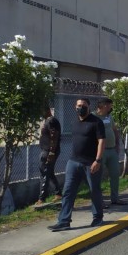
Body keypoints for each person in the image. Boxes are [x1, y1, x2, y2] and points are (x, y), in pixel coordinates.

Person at [48, 98, 106, 232]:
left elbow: (102, 141)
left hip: (91, 163)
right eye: (79, 106)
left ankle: (98, 217)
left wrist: (97, 160)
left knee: (94, 191)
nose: (81, 108)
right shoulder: (74, 122)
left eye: (83, 106)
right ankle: (64, 221)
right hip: (73, 162)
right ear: (75, 107)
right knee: (68, 192)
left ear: (89, 107)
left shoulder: (96, 122)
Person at [95, 98, 127, 206]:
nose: (110, 108)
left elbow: (114, 130)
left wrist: (117, 144)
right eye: (109, 105)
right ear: (103, 105)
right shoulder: (94, 117)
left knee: (115, 174)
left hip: (112, 150)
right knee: (98, 177)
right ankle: (99, 201)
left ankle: (115, 198)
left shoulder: (109, 117)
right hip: (101, 151)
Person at [36, 105, 62, 205]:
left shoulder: (51, 121)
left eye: (41, 110)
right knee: (49, 172)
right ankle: (58, 193)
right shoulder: (49, 120)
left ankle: (41, 199)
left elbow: (54, 137)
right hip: (47, 150)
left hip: (48, 151)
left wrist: (51, 152)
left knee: (44, 172)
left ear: (47, 110)